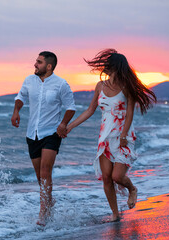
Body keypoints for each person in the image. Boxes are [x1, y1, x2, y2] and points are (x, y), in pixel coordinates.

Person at [66, 49, 157, 222]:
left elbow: (130, 113)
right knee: (107, 178)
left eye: (107, 64)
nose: (104, 67)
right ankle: (115, 214)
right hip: (105, 138)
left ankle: (132, 189)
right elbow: (90, 110)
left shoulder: (126, 87)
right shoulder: (100, 86)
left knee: (117, 177)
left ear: (114, 66)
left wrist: (123, 135)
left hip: (123, 136)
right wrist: (70, 126)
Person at [11, 51, 76, 225]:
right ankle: (49, 201)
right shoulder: (29, 80)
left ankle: (42, 213)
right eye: (36, 61)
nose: (35, 64)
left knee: (45, 172)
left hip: (52, 133)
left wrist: (63, 124)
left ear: (49, 66)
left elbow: (71, 107)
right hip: (32, 133)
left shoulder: (61, 84)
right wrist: (16, 111)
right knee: (40, 176)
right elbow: (20, 97)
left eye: (39, 62)